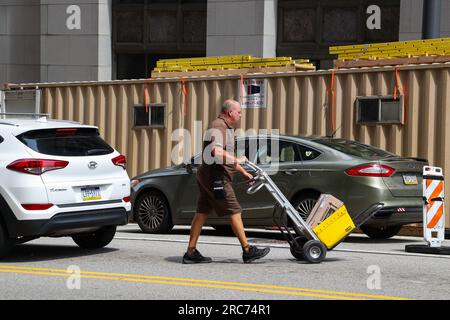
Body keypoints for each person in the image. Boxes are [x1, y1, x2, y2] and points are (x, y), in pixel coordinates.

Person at [182, 99, 270, 264]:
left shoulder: (226, 128)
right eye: (239, 112)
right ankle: (247, 250)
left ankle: (190, 252)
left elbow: (226, 156)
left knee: (202, 212)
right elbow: (216, 152)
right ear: (230, 112)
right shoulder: (219, 126)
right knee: (234, 210)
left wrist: (243, 172)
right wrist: (239, 159)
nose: (240, 114)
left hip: (209, 175)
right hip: (216, 177)